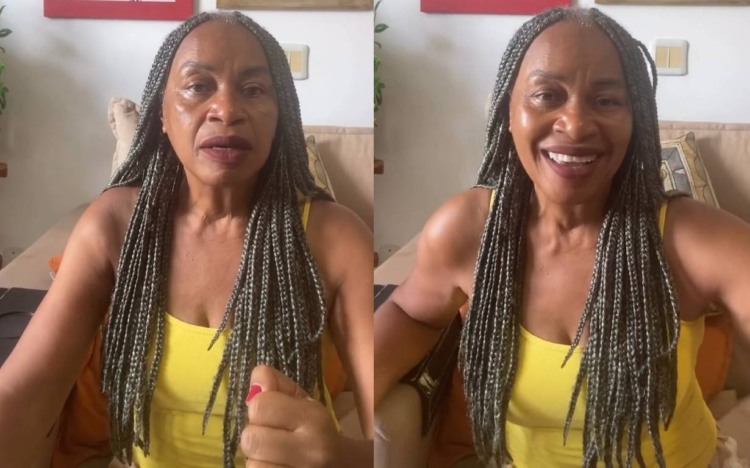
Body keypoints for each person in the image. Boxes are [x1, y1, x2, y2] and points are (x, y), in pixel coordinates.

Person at [374, 7, 750, 468]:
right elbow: (412, 313)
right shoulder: (469, 230)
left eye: (606, 101)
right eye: (547, 95)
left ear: (635, 121)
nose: (575, 124)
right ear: (508, 112)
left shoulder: (687, 239)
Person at [0, 11, 373, 467]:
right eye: (198, 86)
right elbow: (24, 393)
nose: (227, 110)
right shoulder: (116, 225)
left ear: (280, 116)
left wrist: (340, 458)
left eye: (254, 89)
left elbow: (386, 439)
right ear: (161, 112)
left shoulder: (336, 240)